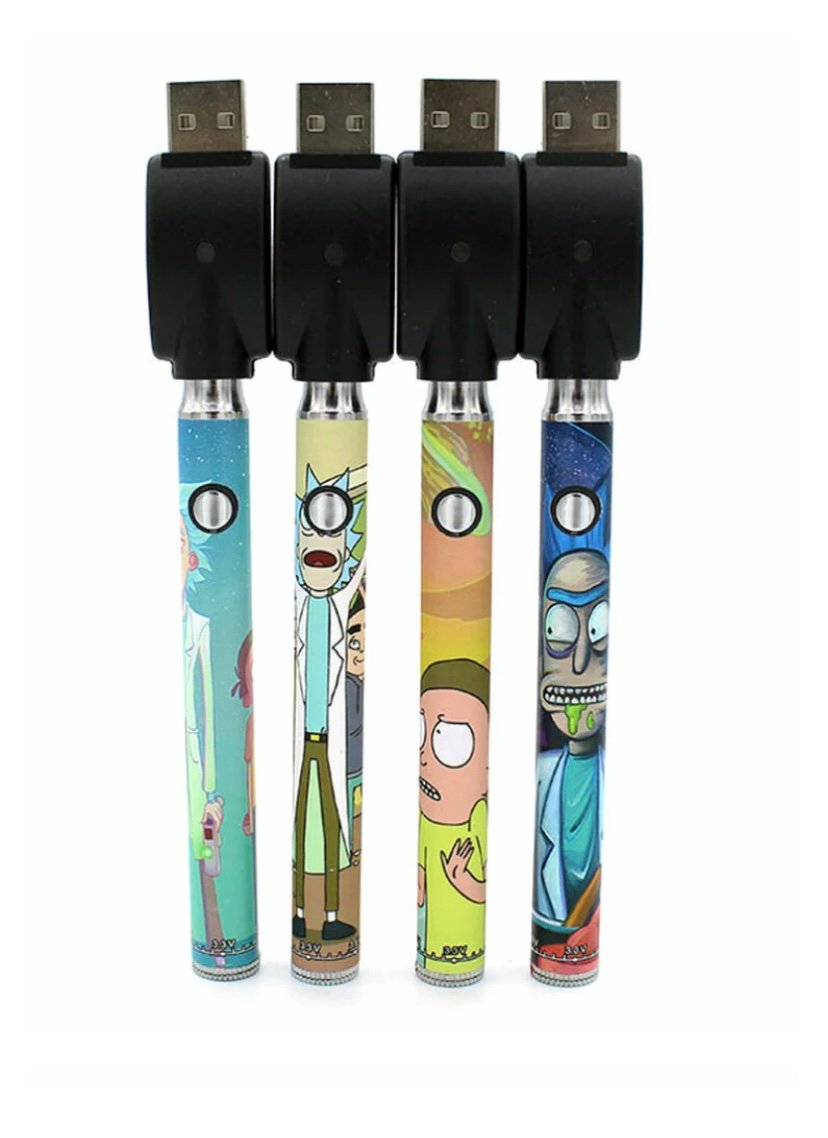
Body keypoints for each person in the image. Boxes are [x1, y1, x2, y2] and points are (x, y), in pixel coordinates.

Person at [417, 659, 489, 977]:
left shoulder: (476, 815)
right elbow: (423, 875)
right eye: (422, 731)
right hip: (429, 940)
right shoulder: (427, 817)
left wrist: (463, 880)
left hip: (465, 946)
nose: (424, 755)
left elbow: (479, 889)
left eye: (450, 741)